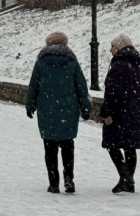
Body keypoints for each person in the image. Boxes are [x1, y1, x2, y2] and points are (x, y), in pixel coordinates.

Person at [25, 31, 92, 194]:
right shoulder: (72, 61)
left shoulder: (41, 62)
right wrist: (86, 107)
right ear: (65, 44)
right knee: (68, 146)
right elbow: (81, 87)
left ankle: (53, 183)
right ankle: (68, 178)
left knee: (50, 148)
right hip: (68, 110)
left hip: (46, 109)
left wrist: (30, 105)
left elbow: (33, 86)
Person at [97, 34, 140, 194]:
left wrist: (106, 112)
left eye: (112, 46)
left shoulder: (118, 66)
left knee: (112, 144)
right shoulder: (135, 65)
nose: (110, 50)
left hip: (118, 113)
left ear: (119, 48)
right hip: (133, 112)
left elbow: (113, 92)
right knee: (130, 147)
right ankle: (128, 181)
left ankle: (125, 177)